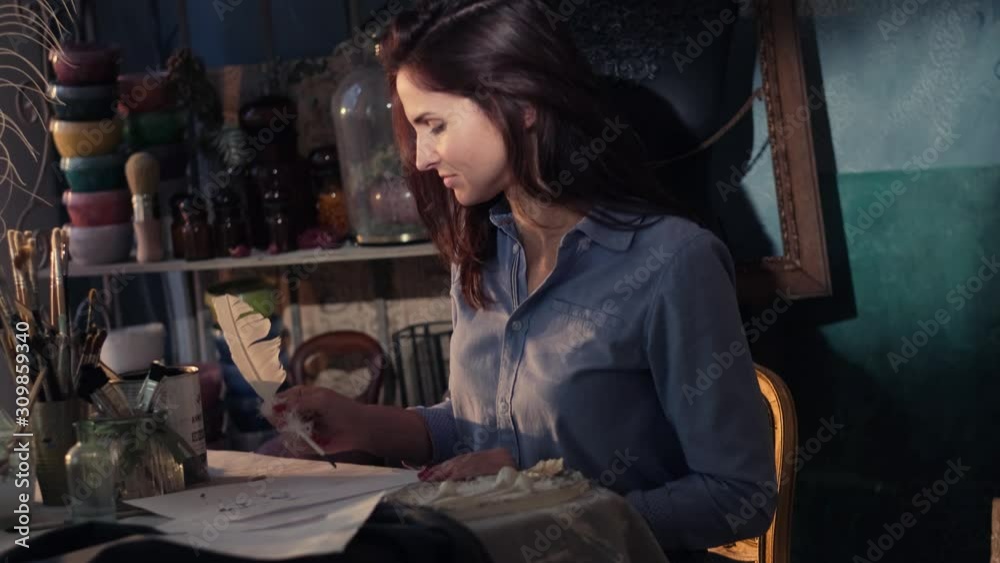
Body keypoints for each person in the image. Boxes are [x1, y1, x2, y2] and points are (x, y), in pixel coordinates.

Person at [270, 0, 776, 555]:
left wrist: (545, 501)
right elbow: (475, 429)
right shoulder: (479, 256)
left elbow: (739, 496)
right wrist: (363, 425)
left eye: (434, 125)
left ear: (523, 103)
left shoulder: (674, 262)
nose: (419, 158)